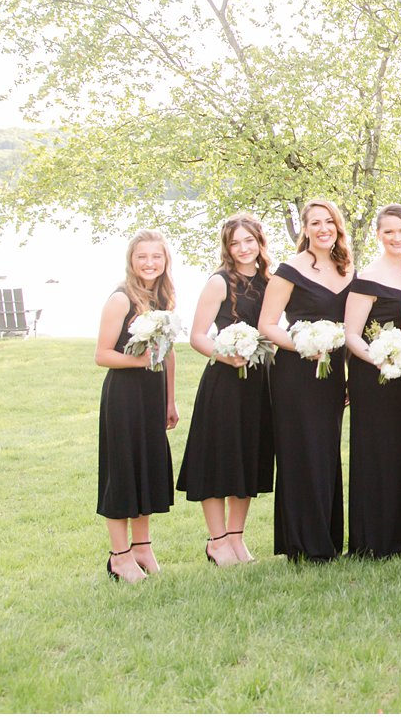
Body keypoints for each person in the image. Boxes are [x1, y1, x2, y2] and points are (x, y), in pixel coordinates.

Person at [177, 213, 275, 567]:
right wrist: (226, 354)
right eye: (236, 243)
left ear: (260, 242)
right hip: (225, 381)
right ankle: (217, 541)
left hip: (259, 382)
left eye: (249, 240)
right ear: (227, 248)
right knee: (218, 459)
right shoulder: (219, 283)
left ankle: (237, 538)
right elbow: (197, 336)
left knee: (248, 459)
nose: (243, 248)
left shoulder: (271, 280)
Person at [259, 199, 355, 562]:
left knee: (326, 453)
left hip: (332, 374)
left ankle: (327, 538)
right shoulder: (289, 270)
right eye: (315, 223)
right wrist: (303, 345)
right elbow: (267, 325)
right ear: (305, 229)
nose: (323, 229)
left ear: (338, 226)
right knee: (301, 452)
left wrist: (346, 374)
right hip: (295, 374)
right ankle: (303, 544)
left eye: (329, 222)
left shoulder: (347, 269)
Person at [95, 230, 179, 583]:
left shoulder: (162, 298)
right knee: (123, 473)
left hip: (152, 396)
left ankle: (143, 548)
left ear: (165, 260)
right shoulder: (121, 299)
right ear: (131, 260)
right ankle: (119, 556)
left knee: (147, 469)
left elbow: (169, 352)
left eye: (156, 257)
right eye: (142, 256)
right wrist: (142, 362)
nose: (149, 263)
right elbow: (102, 355)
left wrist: (170, 400)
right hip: (124, 398)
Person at [342, 205, 401, 558]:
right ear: (378, 235)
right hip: (373, 377)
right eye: (389, 231)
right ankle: (373, 538)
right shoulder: (367, 278)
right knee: (378, 452)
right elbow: (351, 334)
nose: (397, 237)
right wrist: (380, 358)